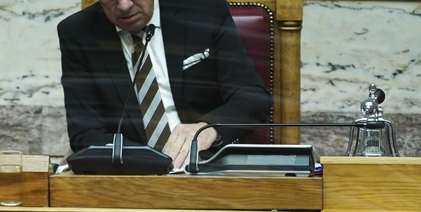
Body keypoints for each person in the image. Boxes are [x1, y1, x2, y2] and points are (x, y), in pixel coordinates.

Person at [58, 0, 272, 169]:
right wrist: (149, 161)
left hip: (209, 163)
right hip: (131, 172)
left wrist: (209, 128)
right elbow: (85, 133)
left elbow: (253, 98)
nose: (124, 6)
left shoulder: (204, 11)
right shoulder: (78, 32)